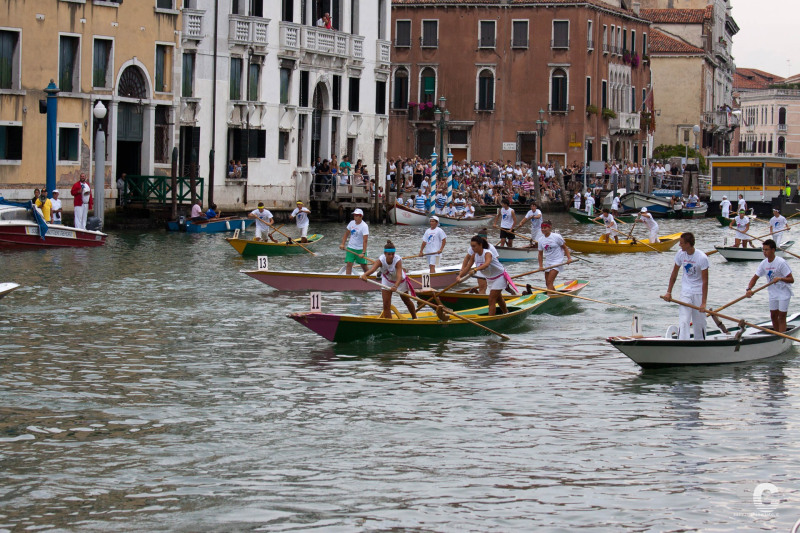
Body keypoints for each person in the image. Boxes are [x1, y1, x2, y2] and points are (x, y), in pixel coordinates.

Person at [661, 232, 709, 340]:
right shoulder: (680, 254)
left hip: (698, 292)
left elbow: (705, 281)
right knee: (684, 320)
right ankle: (683, 341)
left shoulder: (702, 258)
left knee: (699, 322)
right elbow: (674, 273)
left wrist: (703, 303)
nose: (679, 245)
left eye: (681, 243)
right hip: (686, 291)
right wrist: (669, 292)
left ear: (688, 244)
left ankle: (700, 343)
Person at [746, 239, 794, 332]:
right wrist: (749, 289)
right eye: (763, 250)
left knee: (781, 317)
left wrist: (780, 278)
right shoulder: (764, 263)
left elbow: (791, 279)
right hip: (773, 293)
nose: (764, 252)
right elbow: (754, 278)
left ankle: (782, 337)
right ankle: (777, 335)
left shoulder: (781, 262)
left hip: (784, 292)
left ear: (773, 250)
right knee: (773, 316)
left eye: (766, 250)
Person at [361, 240, 417, 319]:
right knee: (386, 304)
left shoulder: (397, 260)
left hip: (399, 281)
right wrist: (364, 275)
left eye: (393, 254)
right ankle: (389, 321)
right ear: (385, 254)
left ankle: (414, 317)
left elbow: (399, 275)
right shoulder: (380, 260)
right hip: (387, 280)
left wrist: (396, 286)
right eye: (389, 254)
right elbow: (372, 270)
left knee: (406, 300)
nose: (391, 256)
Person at [456, 235, 510, 316]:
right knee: (498, 298)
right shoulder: (474, 255)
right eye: (471, 246)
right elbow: (467, 268)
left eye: (474, 246)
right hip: (490, 278)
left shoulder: (487, 253)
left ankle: (490, 320)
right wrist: (459, 276)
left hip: (500, 277)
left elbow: (486, 264)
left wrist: (475, 270)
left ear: (480, 245)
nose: (472, 248)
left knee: (491, 299)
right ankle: (506, 313)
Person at [538, 220, 573, 291]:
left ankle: (550, 296)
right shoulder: (540, 240)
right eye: (542, 228)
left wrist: (569, 258)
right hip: (548, 262)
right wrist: (541, 266)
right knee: (547, 283)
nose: (543, 229)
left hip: (557, 261)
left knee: (550, 281)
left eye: (545, 228)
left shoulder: (556, 237)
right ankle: (554, 294)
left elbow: (565, 248)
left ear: (549, 227)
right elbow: (540, 254)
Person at [340, 208, 369, 275]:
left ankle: (369, 277)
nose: (355, 217)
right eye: (354, 216)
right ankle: (347, 280)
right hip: (351, 247)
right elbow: (346, 234)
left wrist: (363, 252)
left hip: (360, 249)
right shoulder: (351, 223)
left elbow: (365, 240)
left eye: (356, 216)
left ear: (361, 216)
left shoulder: (364, 226)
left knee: (364, 266)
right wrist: (342, 244)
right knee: (349, 264)